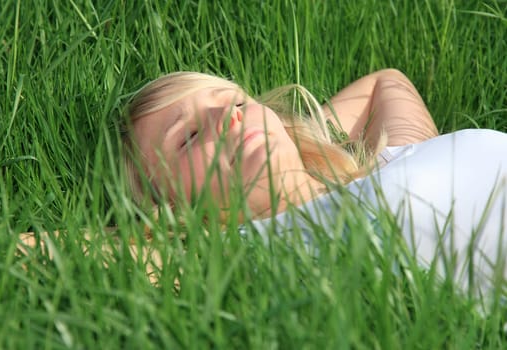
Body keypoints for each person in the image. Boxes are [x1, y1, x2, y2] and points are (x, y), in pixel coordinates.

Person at [122, 69, 507, 294]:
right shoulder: (238, 255)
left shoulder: (392, 158)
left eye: (236, 102)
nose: (228, 118)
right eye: (189, 136)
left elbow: (386, 83)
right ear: (172, 207)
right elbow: (70, 250)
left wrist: (299, 133)